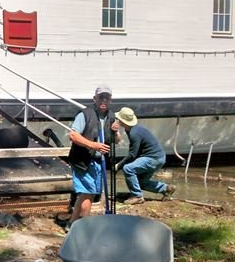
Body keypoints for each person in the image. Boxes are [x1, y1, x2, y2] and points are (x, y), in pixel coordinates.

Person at [66, 85, 121, 230]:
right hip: (83, 160)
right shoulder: (84, 114)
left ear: (110, 100)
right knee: (89, 192)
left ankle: (72, 223)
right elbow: (73, 135)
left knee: (87, 194)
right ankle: (85, 227)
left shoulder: (111, 116)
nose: (104, 100)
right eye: (101, 97)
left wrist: (115, 132)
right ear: (94, 99)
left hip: (99, 161)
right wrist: (93, 145)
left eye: (107, 98)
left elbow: (117, 140)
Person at [113, 107, 176, 205]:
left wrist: (118, 165)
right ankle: (166, 189)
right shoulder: (130, 129)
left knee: (128, 168)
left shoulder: (134, 133)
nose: (117, 120)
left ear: (122, 121)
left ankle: (137, 196)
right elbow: (135, 152)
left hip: (153, 158)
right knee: (141, 182)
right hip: (158, 157)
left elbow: (132, 154)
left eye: (118, 119)